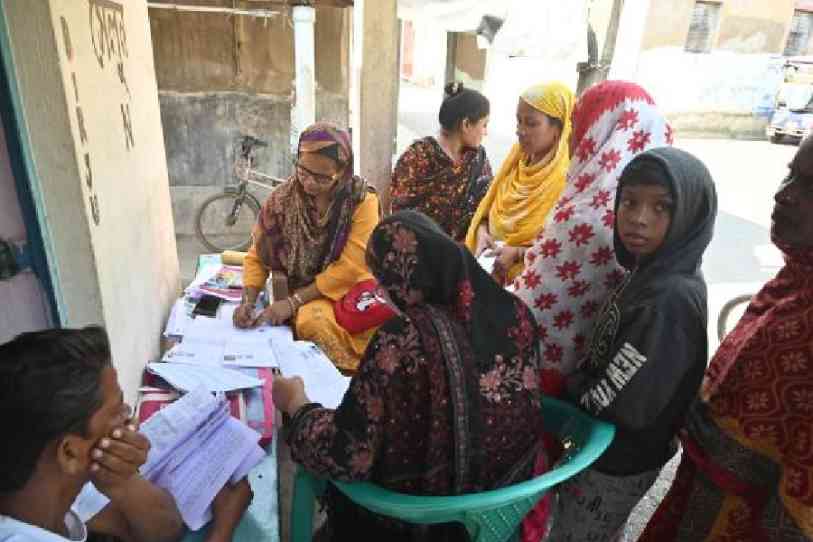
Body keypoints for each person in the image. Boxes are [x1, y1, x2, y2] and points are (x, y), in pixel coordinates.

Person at [273, 211, 546, 541]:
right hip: (502, 512)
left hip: (422, 521)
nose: (380, 291)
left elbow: (348, 456)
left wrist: (299, 406)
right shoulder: (516, 312)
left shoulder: (404, 337)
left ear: (402, 278)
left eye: (381, 279)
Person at [638, 138, 813, 542]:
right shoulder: (793, 280)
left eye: (811, 186)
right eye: (790, 173)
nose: (784, 193)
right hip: (702, 492)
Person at [542, 147, 717, 541]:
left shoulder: (669, 298)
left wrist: (572, 390)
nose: (639, 218)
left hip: (618, 458)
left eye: (661, 207)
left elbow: (628, 401)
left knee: (577, 533)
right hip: (612, 447)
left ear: (690, 213)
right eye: (629, 202)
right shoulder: (651, 272)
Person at [0, 327, 252, 542]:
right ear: (69, 452)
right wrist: (223, 530)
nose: (130, 418)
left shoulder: (45, 488)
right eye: (116, 411)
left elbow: (165, 530)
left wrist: (122, 482)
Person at [514, 81, 673, 395]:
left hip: (556, 377)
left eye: (578, 124)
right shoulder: (668, 207)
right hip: (609, 380)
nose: (575, 136)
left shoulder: (587, 213)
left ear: (598, 131)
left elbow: (531, 310)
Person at [234, 122, 381, 374]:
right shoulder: (281, 200)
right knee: (311, 322)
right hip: (306, 294)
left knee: (373, 328)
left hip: (352, 289)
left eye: (322, 177)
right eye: (303, 172)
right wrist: (248, 300)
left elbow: (352, 267)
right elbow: (257, 256)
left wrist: (292, 302)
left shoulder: (361, 201)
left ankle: (360, 376)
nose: (309, 183)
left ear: (342, 172)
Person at [464, 81, 574, 285]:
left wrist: (518, 253)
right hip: (487, 270)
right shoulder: (515, 164)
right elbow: (487, 212)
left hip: (526, 289)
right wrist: (482, 231)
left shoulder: (566, 184)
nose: (520, 131)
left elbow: (560, 251)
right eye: (519, 121)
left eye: (531, 123)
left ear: (558, 128)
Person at [390, 82, 492, 242]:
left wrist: (482, 230)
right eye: (484, 125)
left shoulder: (477, 160)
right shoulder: (417, 157)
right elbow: (400, 215)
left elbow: (486, 206)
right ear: (466, 124)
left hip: (463, 256)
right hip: (419, 255)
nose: (486, 132)